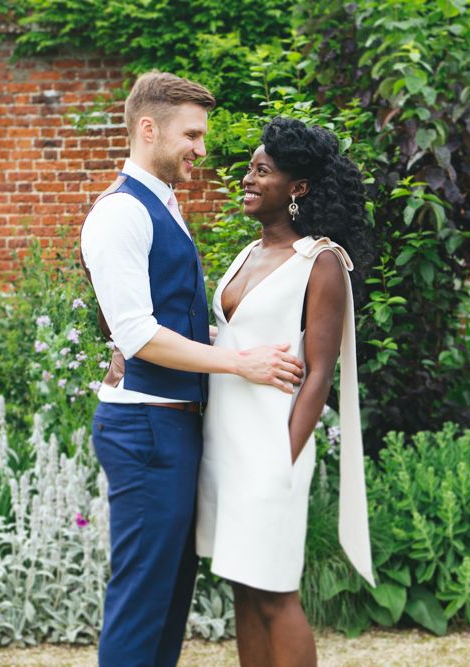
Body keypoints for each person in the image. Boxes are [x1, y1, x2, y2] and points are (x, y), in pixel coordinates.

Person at [80, 74, 305, 667]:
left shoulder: (163, 203)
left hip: (174, 427)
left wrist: (224, 338)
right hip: (145, 429)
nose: (201, 149)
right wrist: (239, 362)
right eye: (192, 134)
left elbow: (161, 319)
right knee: (141, 601)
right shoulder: (120, 214)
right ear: (148, 129)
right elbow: (135, 334)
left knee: (169, 602)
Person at [196, 117, 376, 667]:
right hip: (225, 447)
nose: (248, 179)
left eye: (262, 171)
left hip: (274, 448)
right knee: (243, 587)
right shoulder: (245, 256)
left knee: (276, 592)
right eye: (250, 169)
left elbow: (320, 372)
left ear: (297, 188)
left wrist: (284, 458)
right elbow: (237, 339)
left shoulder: (320, 261)